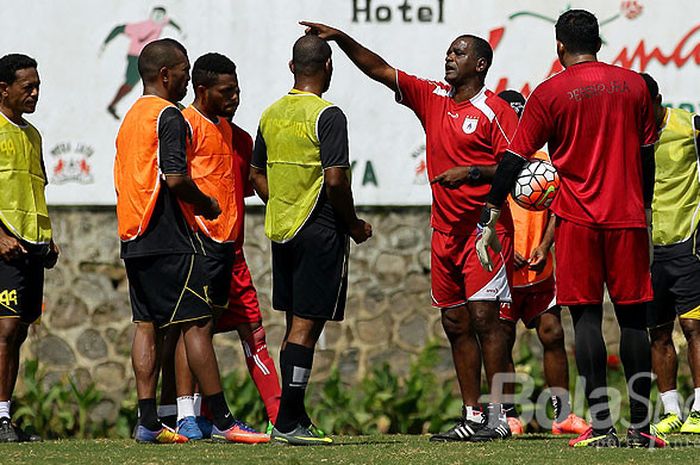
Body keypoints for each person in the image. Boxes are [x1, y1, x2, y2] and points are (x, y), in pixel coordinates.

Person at [300, 22, 518, 442]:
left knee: (486, 320)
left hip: (484, 231)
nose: (449, 58)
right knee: (455, 322)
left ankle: (500, 414)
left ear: (481, 64)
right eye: (448, 52)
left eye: (458, 53)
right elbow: (380, 70)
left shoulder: (496, 110)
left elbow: (517, 166)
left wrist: (472, 171)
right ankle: (473, 415)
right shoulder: (432, 96)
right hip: (444, 232)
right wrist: (341, 39)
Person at [477, 10, 665, 448]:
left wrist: (489, 214)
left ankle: (601, 428)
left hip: (577, 221)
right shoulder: (635, 84)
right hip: (629, 218)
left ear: (559, 46)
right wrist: (647, 209)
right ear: (598, 41)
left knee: (587, 320)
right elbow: (647, 154)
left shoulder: (549, 92)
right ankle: (640, 428)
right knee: (634, 320)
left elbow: (513, 160)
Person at [114, 38, 255, 444]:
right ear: (165, 75)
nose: (187, 77)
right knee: (196, 324)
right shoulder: (169, 116)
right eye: (183, 70)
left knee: (146, 324)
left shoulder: (130, 118)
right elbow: (175, 178)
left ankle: (148, 422)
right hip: (168, 236)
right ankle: (224, 420)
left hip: (133, 235)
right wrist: (206, 202)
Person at [250, 34, 372, 445]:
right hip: (319, 230)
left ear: (291, 67)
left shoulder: (270, 114)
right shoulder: (328, 115)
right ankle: (286, 423)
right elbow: (336, 179)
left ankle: (293, 417)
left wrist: (283, 201)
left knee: (292, 327)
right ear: (329, 68)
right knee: (306, 328)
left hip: (283, 230)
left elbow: (256, 176)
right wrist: (353, 224)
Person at [164, 52, 273, 443]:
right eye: (227, 91)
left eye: (238, 90)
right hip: (196, 241)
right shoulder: (185, 125)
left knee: (202, 329)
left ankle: (204, 417)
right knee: (191, 326)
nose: (235, 97)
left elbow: (248, 182)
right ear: (202, 89)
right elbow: (174, 180)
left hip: (226, 245)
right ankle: (187, 415)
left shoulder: (229, 131)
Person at [496, 90, 588, 436]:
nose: (518, 124)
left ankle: (561, 415)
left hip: (539, 268)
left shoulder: (543, 164)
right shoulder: (496, 162)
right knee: (501, 340)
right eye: (511, 116)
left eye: (521, 117)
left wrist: (546, 244)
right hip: (504, 270)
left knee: (553, 334)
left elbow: (558, 210)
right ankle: (506, 414)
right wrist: (505, 248)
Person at [0, 53, 58, 443]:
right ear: (4, 89)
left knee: (18, 331)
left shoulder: (32, 134)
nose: (35, 93)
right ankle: (1, 418)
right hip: (5, 243)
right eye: (28, 87)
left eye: (38, 86)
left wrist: (48, 236)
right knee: (3, 329)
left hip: (32, 246)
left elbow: (36, 187)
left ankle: (6, 416)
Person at [641, 73, 700, 435]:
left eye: (645, 106)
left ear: (658, 99)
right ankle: (671, 411)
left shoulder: (688, 126)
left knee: (694, 326)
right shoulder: (633, 138)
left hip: (687, 240)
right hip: (648, 247)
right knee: (658, 332)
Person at [100, 6, 183, 119]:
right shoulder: (141, 26)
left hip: (147, 58)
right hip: (136, 57)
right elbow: (119, 28)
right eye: (156, 15)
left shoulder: (161, 22)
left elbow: (169, 21)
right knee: (130, 83)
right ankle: (113, 105)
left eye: (161, 16)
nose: (159, 18)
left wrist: (180, 30)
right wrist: (105, 43)